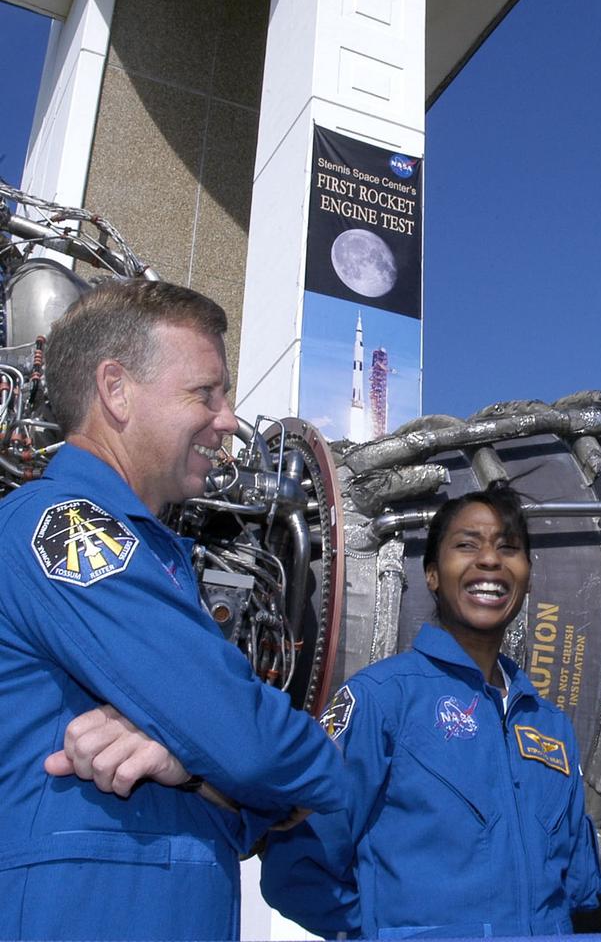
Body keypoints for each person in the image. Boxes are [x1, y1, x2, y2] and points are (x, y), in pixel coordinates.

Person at [0, 280, 349, 940]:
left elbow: (239, 781)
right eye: (205, 393)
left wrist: (191, 771)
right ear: (116, 389)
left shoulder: (147, 551)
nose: (227, 419)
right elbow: (246, 742)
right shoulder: (65, 528)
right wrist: (320, 767)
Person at [260, 485, 601, 937]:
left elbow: (576, 887)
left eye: (509, 548)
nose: (489, 561)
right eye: (466, 545)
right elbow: (298, 869)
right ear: (432, 574)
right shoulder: (381, 701)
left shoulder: (549, 726)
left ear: (527, 575)